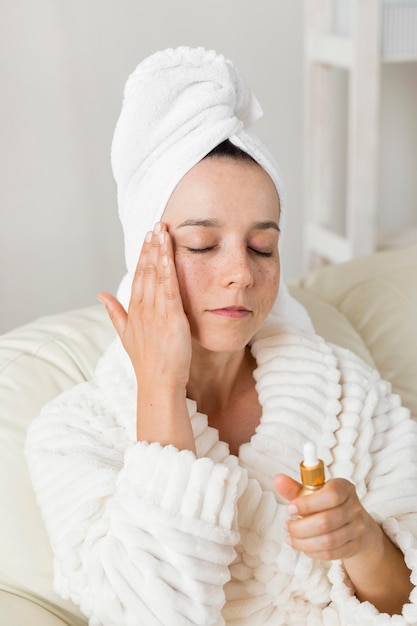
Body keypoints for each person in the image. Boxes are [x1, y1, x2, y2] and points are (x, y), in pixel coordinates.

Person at [25, 47, 417, 626]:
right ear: (145, 256)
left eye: (262, 246)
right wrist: (159, 386)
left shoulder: (349, 394)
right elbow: (151, 615)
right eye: (202, 245)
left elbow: (401, 597)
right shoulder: (74, 436)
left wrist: (363, 542)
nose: (241, 272)